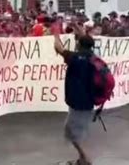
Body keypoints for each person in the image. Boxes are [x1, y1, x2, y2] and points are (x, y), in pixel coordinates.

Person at [53, 23, 95, 165]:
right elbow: (85, 40)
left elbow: (59, 48)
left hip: (78, 102)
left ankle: (86, 159)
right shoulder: (93, 57)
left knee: (72, 132)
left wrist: (56, 34)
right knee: (75, 130)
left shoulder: (75, 58)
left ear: (78, 45)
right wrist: (77, 26)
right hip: (88, 100)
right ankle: (82, 159)